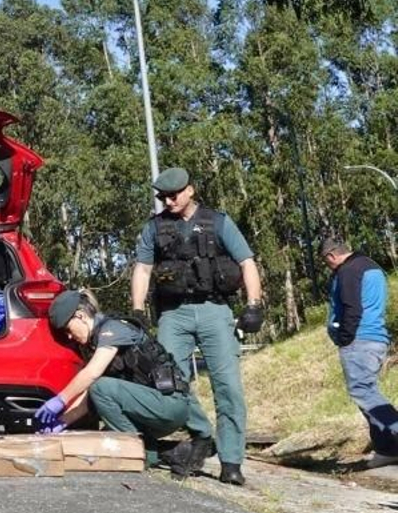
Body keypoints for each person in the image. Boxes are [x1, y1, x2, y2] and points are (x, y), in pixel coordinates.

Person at [129, 166, 264, 485]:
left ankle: (231, 461)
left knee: (228, 387)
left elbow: (247, 262)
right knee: (167, 383)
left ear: (190, 190)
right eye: (162, 196)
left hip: (214, 310)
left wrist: (254, 305)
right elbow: (143, 270)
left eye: (173, 194)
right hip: (173, 314)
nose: (168, 201)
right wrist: (137, 310)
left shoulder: (218, 222)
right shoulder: (155, 227)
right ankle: (203, 434)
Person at [36, 289, 216, 475]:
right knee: (103, 443)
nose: (69, 337)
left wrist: (60, 400)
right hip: (147, 407)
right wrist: (61, 423)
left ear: (80, 316)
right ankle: (172, 452)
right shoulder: (95, 341)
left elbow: (92, 376)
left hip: (169, 404)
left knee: (100, 388)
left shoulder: (113, 329)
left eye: (68, 329)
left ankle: (142, 454)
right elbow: (91, 397)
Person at [321, 233, 398, 466]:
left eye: (327, 262)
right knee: (367, 393)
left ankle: (393, 433)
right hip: (376, 338)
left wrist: (345, 337)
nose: (329, 267)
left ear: (332, 256)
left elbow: (351, 307)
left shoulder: (348, 271)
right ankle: (388, 449)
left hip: (359, 340)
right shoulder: (371, 267)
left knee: (363, 391)